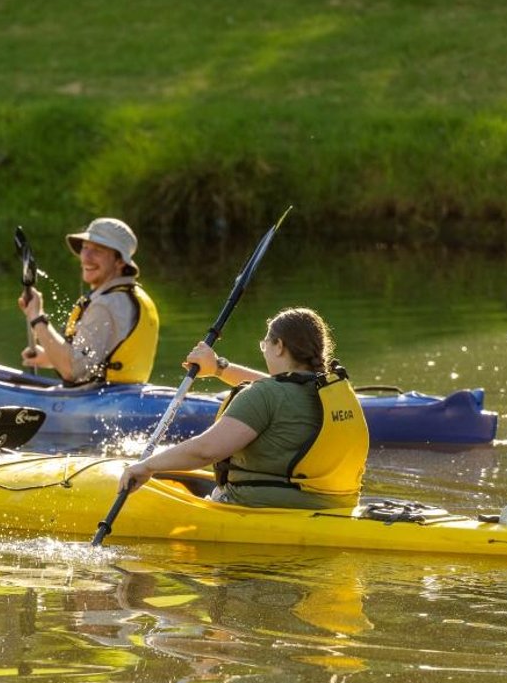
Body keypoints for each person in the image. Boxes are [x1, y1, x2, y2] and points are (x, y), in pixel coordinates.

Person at [119, 307, 369, 510]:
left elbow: (205, 452)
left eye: (265, 345)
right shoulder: (330, 391)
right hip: (335, 504)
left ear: (279, 346)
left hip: (262, 506)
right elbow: (274, 387)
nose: (265, 351)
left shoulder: (264, 396)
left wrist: (146, 466)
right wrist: (218, 368)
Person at [19, 217, 160, 386]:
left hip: (102, 403)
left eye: (98, 250)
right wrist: (50, 357)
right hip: (122, 397)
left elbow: (72, 371)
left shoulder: (106, 304)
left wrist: (37, 317)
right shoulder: (129, 295)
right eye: (85, 248)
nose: (86, 257)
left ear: (120, 261)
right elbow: (91, 362)